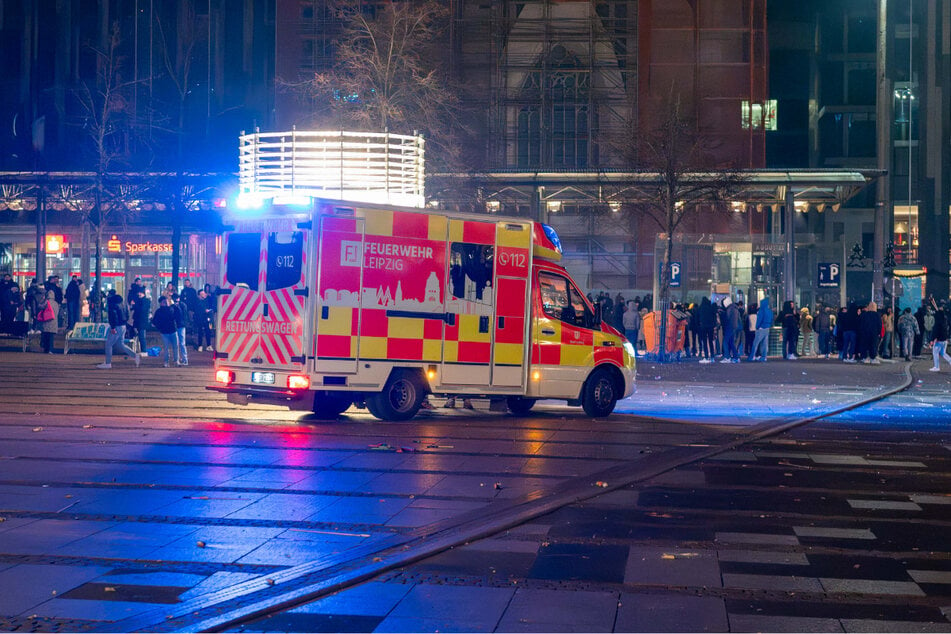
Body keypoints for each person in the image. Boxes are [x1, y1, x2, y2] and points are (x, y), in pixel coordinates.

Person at [97, 290, 139, 369]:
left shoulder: (112, 304)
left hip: (116, 326)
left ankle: (108, 363)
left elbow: (113, 316)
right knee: (121, 344)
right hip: (123, 325)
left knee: (109, 344)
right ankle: (135, 355)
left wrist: (113, 327)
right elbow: (127, 314)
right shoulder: (122, 303)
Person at [151, 296, 179, 368]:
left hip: (172, 330)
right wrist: (160, 327)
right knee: (167, 348)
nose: (166, 303)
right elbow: (154, 322)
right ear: (161, 303)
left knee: (175, 347)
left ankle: (176, 361)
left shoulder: (172, 308)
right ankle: (167, 362)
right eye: (164, 302)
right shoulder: (159, 311)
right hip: (165, 332)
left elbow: (178, 316)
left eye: (167, 301)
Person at [748, 297, 773, 362]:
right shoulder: (769, 311)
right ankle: (764, 357)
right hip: (767, 328)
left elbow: (759, 320)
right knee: (765, 344)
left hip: (761, 328)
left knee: (755, 343)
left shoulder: (761, 310)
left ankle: (752, 356)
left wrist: (757, 326)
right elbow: (772, 319)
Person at [929, 302, 951, 372]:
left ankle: (936, 366)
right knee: (943, 353)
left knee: (935, 353)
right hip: (944, 340)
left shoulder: (937, 323)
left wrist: (932, 340)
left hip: (939, 340)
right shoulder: (945, 321)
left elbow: (935, 331)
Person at [719, 296, 742, 363]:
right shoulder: (734, 308)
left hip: (730, 327)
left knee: (725, 342)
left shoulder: (730, 309)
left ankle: (727, 357)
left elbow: (728, 318)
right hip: (734, 327)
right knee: (731, 342)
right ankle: (735, 357)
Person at [697, 296, 716, 363]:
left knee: (704, 342)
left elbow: (698, 317)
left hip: (703, 327)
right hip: (710, 327)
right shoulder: (710, 307)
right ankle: (712, 357)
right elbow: (714, 316)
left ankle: (706, 356)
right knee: (710, 342)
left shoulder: (701, 308)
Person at [171, 293, 189, 366]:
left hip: (181, 326)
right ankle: (177, 358)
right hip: (176, 326)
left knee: (181, 343)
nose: (176, 300)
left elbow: (183, 315)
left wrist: (176, 307)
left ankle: (185, 359)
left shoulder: (182, 305)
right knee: (176, 343)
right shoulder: (173, 306)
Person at [131, 290, 151, 354]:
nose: (139, 294)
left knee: (142, 336)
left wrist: (134, 305)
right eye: (139, 293)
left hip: (142, 321)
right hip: (138, 321)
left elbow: (141, 310)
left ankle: (143, 350)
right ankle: (140, 350)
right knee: (139, 336)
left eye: (140, 293)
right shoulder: (139, 300)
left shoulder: (146, 301)